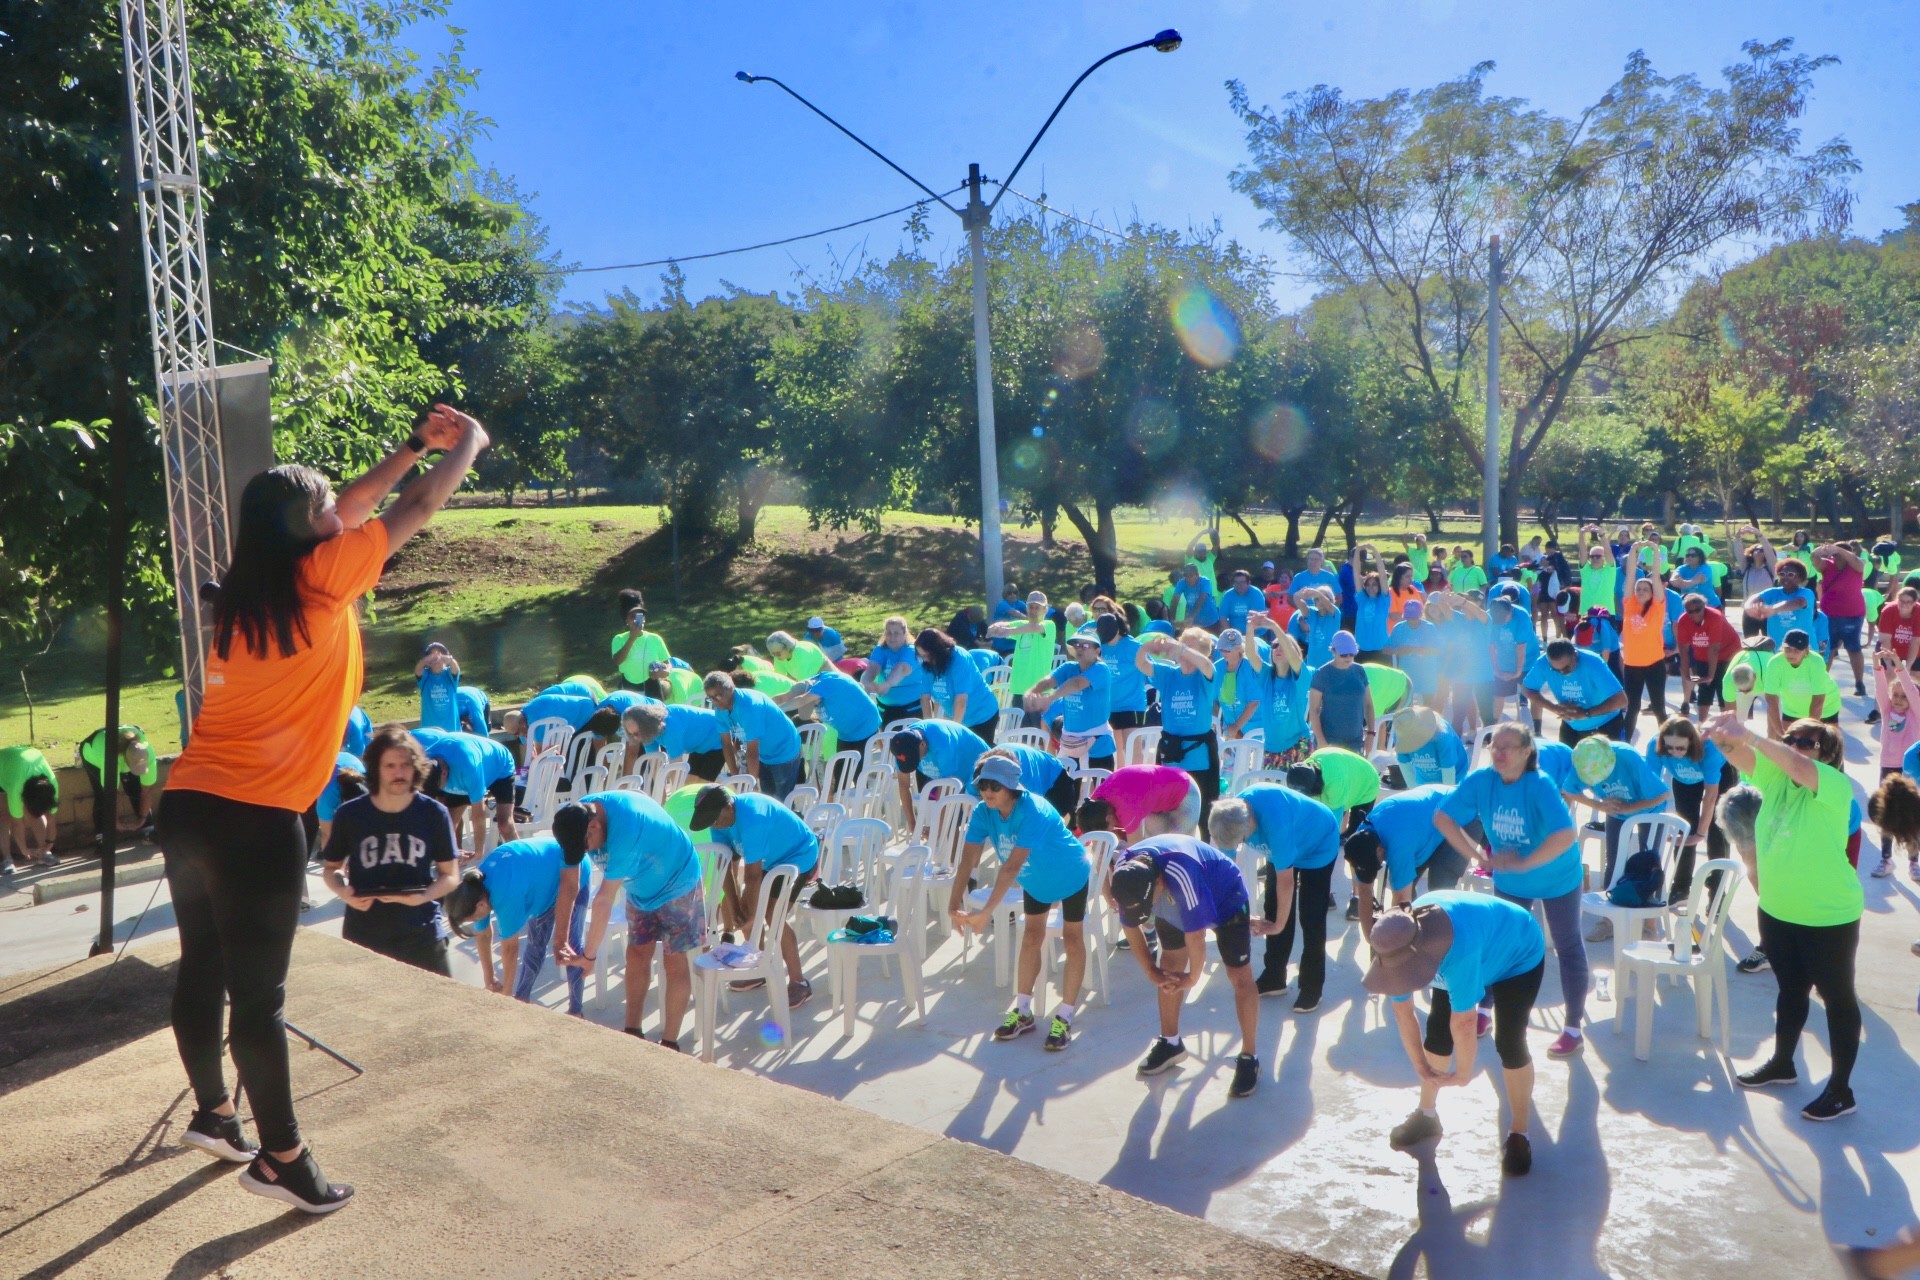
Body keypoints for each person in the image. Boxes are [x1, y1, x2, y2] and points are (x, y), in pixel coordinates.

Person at [155, 402, 484, 1211]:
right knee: (259, 1005)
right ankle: (282, 1160)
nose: (341, 512)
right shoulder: (326, 577)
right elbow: (415, 508)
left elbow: (356, 506)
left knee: (202, 967)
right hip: (255, 819)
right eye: (325, 507)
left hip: (188, 805)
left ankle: (212, 1115)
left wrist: (410, 443)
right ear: (310, 528)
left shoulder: (246, 592)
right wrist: (466, 444)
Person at [1704, 711, 1862, 1121]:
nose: (1794, 746)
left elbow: (1793, 763)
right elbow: (1734, 751)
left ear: (1826, 755)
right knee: (1790, 991)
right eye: (1790, 737)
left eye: (1806, 742)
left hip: (1828, 917)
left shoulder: (1833, 785)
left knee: (1837, 998)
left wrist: (1754, 736)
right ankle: (1783, 1064)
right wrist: (1718, 732)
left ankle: (1842, 1090)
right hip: (1777, 910)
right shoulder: (1773, 780)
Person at [1433, 722, 1588, 1058]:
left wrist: (1524, 862)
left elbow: (1565, 836)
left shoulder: (1540, 784)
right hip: (1510, 880)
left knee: (1567, 945)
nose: (1499, 753)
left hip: (1557, 876)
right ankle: (1485, 1011)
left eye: (1507, 747)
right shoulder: (1481, 781)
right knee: (1499, 945)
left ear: (1526, 752)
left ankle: (1573, 1028)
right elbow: (1444, 818)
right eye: (1494, 746)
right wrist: (1477, 855)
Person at [1366, 894, 1547, 1176]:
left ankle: (1519, 1134)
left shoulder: (1456, 948)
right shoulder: (1396, 944)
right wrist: (1421, 1067)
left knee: (1510, 1041)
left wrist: (1463, 1074)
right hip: (1471, 945)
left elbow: (1464, 1022)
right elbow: (1403, 1013)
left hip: (1516, 952)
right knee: (1437, 1030)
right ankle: (1427, 1115)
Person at [1109, 835, 1273, 1097]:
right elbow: (1131, 927)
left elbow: (1196, 936)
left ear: (1159, 882)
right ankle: (1171, 1043)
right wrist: (1151, 971)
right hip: (1172, 899)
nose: (1148, 909)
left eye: (1148, 904)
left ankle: (1249, 1058)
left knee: (1239, 975)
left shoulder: (1181, 872)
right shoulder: (1126, 874)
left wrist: (1192, 979)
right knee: (1169, 965)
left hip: (1225, 897)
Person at [951, 755, 1094, 1050]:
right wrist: (954, 904)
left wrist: (984, 913)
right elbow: (967, 859)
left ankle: (1065, 1017)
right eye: (983, 785)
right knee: (1030, 936)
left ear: (1011, 788)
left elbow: (1011, 868)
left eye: (995, 786)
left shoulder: (1033, 810)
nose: (987, 792)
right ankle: (1024, 1012)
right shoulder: (982, 812)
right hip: (1036, 879)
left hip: (1070, 873)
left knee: (1071, 938)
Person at [550, 791, 705, 1048]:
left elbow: (603, 901)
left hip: (678, 884)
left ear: (595, 826)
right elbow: (568, 885)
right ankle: (632, 1033)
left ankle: (670, 1043)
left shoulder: (626, 826)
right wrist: (560, 940)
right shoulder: (574, 820)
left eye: (586, 847)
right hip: (639, 888)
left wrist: (589, 957)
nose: (586, 852)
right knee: (636, 953)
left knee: (674, 962)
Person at [319, 725, 460, 975]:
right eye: (390, 766)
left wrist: (424, 896)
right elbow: (331, 869)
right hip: (364, 934)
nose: (399, 773)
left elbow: (450, 875)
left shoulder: (433, 813)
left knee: (438, 1011)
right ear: (376, 769)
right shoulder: (350, 814)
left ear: (416, 767)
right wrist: (344, 892)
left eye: (405, 765)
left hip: (422, 932)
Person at [1210, 783, 1341, 1010]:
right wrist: (1236, 914)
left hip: (1317, 843)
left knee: (1312, 915)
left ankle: (1312, 987)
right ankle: (1274, 977)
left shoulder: (1275, 821)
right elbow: (1226, 875)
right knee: (1272, 907)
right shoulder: (1228, 818)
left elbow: (1286, 882)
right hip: (1284, 847)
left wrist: (1279, 926)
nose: (1241, 844)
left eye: (1242, 840)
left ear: (1250, 822)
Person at [692, 784, 819, 1008]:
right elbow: (725, 867)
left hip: (798, 855)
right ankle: (757, 968)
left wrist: (752, 915)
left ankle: (799, 982)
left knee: (772, 916)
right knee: (745, 912)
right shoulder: (719, 822)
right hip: (769, 859)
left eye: (714, 818)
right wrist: (737, 910)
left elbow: (751, 877)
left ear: (729, 806)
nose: (714, 823)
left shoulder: (753, 817)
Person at [445, 834, 590, 1019]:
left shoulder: (504, 896)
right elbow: (482, 935)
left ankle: (576, 1011)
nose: (474, 922)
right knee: (535, 945)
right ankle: (521, 999)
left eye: (471, 918)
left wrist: (504, 996)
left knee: (571, 946)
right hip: (541, 885)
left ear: (480, 905)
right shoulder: (475, 887)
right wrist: (489, 978)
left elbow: (510, 949)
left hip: (573, 869)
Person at [1568, 735, 1673, 925]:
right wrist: (1599, 805)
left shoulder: (1627, 756)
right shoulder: (1583, 760)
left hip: (1650, 809)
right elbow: (1569, 789)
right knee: (1614, 862)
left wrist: (1630, 809)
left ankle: (1649, 923)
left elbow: (1662, 794)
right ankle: (1609, 921)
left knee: (1651, 862)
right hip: (1616, 813)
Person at [1341, 784, 1463, 937]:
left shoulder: (1398, 845)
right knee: (1406, 887)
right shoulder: (1360, 840)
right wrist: (1370, 938)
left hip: (1461, 813)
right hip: (1421, 823)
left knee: (1438, 887)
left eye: (1376, 864)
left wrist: (1391, 945)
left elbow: (1401, 900)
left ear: (1380, 850)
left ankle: (1443, 941)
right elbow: (1365, 891)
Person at [1643, 716, 1737, 908]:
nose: (1674, 753)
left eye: (1680, 748)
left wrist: (1701, 834)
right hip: (1684, 780)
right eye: (1669, 748)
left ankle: (1717, 890)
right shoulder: (1654, 744)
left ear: (1692, 743)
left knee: (1717, 831)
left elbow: (1710, 797)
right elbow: (1652, 785)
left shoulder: (1710, 749)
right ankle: (1681, 887)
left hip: (1721, 776)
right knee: (1683, 830)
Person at [1138, 628, 1220, 834]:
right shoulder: (1168, 674)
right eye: (1183, 644)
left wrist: (1181, 648)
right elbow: (1141, 664)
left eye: (1190, 646)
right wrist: (1148, 647)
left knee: (1200, 812)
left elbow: (1206, 664)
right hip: (1171, 752)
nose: (1182, 651)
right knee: (1167, 810)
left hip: (1198, 756)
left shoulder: (1205, 675)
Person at [704, 671, 804, 802]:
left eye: (718, 696)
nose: (715, 702)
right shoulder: (720, 709)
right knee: (767, 799)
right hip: (764, 754)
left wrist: (752, 783)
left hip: (784, 751)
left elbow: (752, 752)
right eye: (710, 698)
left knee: (781, 801)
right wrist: (736, 778)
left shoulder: (749, 707)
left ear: (730, 688)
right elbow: (726, 745)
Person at [1024, 632, 1116, 770]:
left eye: (1085, 645)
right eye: (1077, 645)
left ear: (1097, 650)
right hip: (1070, 742)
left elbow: (1077, 683)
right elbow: (1049, 681)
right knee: (1067, 789)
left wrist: (1050, 698)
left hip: (1098, 742)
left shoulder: (1101, 669)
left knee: (1100, 790)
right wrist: (1031, 692)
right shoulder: (1068, 668)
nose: (1079, 648)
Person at [421, 729, 519, 859]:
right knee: (448, 823)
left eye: (438, 787)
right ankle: (453, 858)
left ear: (444, 773)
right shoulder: (423, 762)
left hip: (500, 767)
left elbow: (478, 815)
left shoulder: (469, 767)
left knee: (505, 824)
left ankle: (521, 858)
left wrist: (479, 851)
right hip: (461, 771)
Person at [1523, 638, 1628, 746]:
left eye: (1566, 668)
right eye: (1555, 670)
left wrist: (1586, 713)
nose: (1562, 673)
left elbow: (1621, 700)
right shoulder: (1543, 663)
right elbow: (1528, 689)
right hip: (1571, 726)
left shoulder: (1593, 663)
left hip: (1605, 725)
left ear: (1575, 655)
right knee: (1567, 761)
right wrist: (1555, 708)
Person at [889, 719, 992, 827]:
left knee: (955, 825)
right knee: (947, 827)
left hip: (980, 770)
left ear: (923, 744)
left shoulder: (942, 742)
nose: (916, 762)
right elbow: (903, 785)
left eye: (915, 758)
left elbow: (946, 790)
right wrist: (911, 822)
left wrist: (937, 828)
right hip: (951, 773)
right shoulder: (902, 745)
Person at [776, 666, 882, 764]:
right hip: (846, 733)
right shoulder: (807, 686)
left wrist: (778, 710)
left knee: (856, 773)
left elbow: (802, 700)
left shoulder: (827, 683)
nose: (814, 704)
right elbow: (784, 698)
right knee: (840, 773)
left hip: (863, 726)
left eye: (812, 701)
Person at [1078, 764, 1204, 845]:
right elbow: (1099, 852)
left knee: (1178, 848)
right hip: (1155, 800)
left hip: (1184, 791)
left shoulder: (1126, 807)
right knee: (1157, 846)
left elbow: (1136, 850)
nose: (1112, 831)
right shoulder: (1094, 804)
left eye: (1109, 830)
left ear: (1109, 818)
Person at [916, 626, 1001, 744]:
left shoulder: (959, 658)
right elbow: (925, 698)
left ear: (938, 651)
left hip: (982, 714)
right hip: (958, 715)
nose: (925, 660)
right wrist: (929, 730)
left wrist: (955, 731)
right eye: (921, 656)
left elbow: (961, 700)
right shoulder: (926, 663)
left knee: (978, 756)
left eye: (927, 655)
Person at [1247, 623, 1315, 768]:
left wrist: (1273, 626)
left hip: (1297, 744)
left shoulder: (1300, 677)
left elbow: (1294, 658)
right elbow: (1251, 655)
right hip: (1271, 748)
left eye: (1283, 646)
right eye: (1275, 646)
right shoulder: (1266, 676)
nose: (1278, 649)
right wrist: (1250, 627)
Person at [1618, 557, 1671, 728]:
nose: (1641, 591)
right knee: (1632, 707)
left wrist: (1654, 551)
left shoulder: (1658, 606)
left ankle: (1666, 744)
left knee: (1658, 707)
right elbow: (1630, 576)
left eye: (1645, 589)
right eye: (1638, 589)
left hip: (1654, 664)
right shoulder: (1629, 604)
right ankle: (1625, 744)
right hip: (1632, 665)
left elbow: (1656, 577)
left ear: (1652, 593)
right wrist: (1633, 551)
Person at [78, 724, 159, 836]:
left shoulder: (147, 753)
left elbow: (147, 790)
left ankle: (148, 829)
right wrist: (115, 821)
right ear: (125, 759)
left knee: (135, 788)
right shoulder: (111, 760)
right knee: (101, 794)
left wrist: (142, 819)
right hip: (93, 753)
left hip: (120, 750)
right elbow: (110, 794)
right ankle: (102, 837)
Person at [1813, 541, 1870, 697]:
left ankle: (1859, 683)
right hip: (1829, 615)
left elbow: (1855, 560)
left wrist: (1839, 549)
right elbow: (1814, 557)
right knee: (1828, 649)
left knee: (1853, 649)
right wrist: (1824, 548)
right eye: (1834, 555)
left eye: (1839, 555)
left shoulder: (1856, 566)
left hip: (1852, 615)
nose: (1835, 557)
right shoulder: (1827, 566)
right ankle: (1822, 680)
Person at [622, 701, 727, 783]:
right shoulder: (645, 734)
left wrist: (674, 799)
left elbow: (676, 768)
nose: (636, 737)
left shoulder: (670, 728)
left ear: (646, 725)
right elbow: (654, 765)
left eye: (637, 733)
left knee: (702, 787)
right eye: (632, 734)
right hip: (698, 746)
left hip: (718, 737)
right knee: (689, 785)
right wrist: (661, 795)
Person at [1763, 629, 1841, 737]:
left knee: (1824, 747)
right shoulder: (1775, 663)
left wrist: (1809, 731)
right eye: (1788, 649)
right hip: (1793, 709)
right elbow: (1771, 699)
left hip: (1826, 707)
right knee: (1786, 746)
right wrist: (1779, 732)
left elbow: (1818, 700)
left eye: (1797, 650)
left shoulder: (1816, 661)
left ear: (1806, 651)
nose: (1791, 653)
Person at [1674, 594, 1742, 718]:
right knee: (1704, 690)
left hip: (1728, 653)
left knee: (1724, 689)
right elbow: (1683, 649)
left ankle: (1727, 723)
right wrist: (1686, 674)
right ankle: (1702, 724)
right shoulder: (1683, 620)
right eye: (1690, 611)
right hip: (1703, 655)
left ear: (1704, 607)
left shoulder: (1715, 616)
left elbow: (1714, 648)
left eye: (1698, 610)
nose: (1694, 614)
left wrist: (1710, 675)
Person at [1309, 631, 1375, 753]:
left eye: (1352, 653)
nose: (1349, 657)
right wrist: (1321, 741)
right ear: (1333, 651)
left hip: (1355, 742)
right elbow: (1314, 710)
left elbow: (1369, 705)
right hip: (1330, 742)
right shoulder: (1322, 674)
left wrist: (1371, 734)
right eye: (1344, 654)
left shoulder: (1359, 671)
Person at [990, 590, 1061, 699]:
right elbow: (1005, 624)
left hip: (1040, 691)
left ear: (1045, 610)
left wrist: (1009, 631)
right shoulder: (1021, 625)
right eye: (1030, 607)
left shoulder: (1049, 625)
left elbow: (1034, 628)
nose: (1033, 610)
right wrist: (995, 627)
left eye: (1037, 607)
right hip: (1018, 689)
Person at [0, 744, 60, 870]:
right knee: (3, 815)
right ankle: (7, 859)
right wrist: (24, 849)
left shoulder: (53, 785)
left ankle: (45, 855)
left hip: (21, 765)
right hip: (3, 767)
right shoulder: (16, 788)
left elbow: (51, 820)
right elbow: (17, 824)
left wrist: (49, 845)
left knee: (35, 814)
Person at [864, 616, 928, 725]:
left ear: (904, 634)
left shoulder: (912, 650)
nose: (892, 637)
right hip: (885, 708)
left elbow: (902, 669)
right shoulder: (880, 650)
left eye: (896, 633)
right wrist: (867, 682)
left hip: (912, 708)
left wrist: (887, 684)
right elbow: (872, 668)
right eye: (889, 633)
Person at [1747, 557, 1819, 651]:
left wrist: (1773, 609)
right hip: (1777, 650)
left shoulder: (1806, 593)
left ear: (1799, 577)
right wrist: (1749, 607)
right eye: (1782, 574)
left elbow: (1799, 602)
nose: (1785, 578)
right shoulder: (1772, 593)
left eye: (1790, 575)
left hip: (1804, 649)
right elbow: (1754, 598)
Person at [1873, 648, 1920, 781]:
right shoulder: (1888, 710)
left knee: (1906, 801)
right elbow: (1880, 689)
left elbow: (1911, 690)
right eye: (1895, 695)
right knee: (1886, 800)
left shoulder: (1915, 714)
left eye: (1904, 697)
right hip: (1887, 763)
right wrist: (1877, 665)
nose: (1898, 700)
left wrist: (1899, 665)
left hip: (1908, 765)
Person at [1392, 706, 1470, 787]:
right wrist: (1416, 793)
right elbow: (1405, 767)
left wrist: (1446, 797)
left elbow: (1449, 775)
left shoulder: (1442, 734)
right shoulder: (1400, 734)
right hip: (1423, 779)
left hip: (1456, 776)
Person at [1211, 628, 1266, 742]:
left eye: (1228, 649)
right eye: (1222, 649)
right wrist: (1214, 724)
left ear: (1239, 648)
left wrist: (1237, 726)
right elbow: (1213, 700)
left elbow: (1254, 702)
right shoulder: (1217, 667)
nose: (1224, 652)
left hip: (1254, 731)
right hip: (1229, 729)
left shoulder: (1250, 667)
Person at [1388, 599, 1444, 706]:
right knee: (1406, 708)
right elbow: (1386, 648)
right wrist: (1397, 651)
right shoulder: (1399, 628)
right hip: (1407, 675)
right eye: (1409, 617)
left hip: (1427, 676)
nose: (1411, 620)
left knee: (1429, 708)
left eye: (1414, 617)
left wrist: (1414, 649)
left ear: (1421, 614)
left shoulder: (1430, 628)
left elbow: (1438, 650)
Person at [611, 598, 671, 689]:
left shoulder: (655, 638)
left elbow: (667, 663)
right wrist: (632, 638)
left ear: (644, 619)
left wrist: (666, 671)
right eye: (632, 617)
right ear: (626, 621)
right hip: (628, 685)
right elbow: (617, 661)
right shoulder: (619, 639)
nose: (636, 620)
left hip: (653, 685)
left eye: (639, 616)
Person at [414, 642, 461, 734]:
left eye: (439, 654)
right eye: (432, 655)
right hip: (430, 731)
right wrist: (425, 660)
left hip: (451, 730)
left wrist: (448, 659)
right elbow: (418, 670)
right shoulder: (425, 676)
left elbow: (455, 668)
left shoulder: (449, 674)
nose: (436, 659)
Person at [1219, 568, 1264, 634]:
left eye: (1242, 582)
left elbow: (1257, 618)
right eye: (1236, 582)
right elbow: (1223, 617)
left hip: (1256, 632)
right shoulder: (1228, 595)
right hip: (1233, 633)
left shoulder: (1256, 594)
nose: (1239, 585)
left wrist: (1249, 638)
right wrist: (1231, 635)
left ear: (1249, 583)